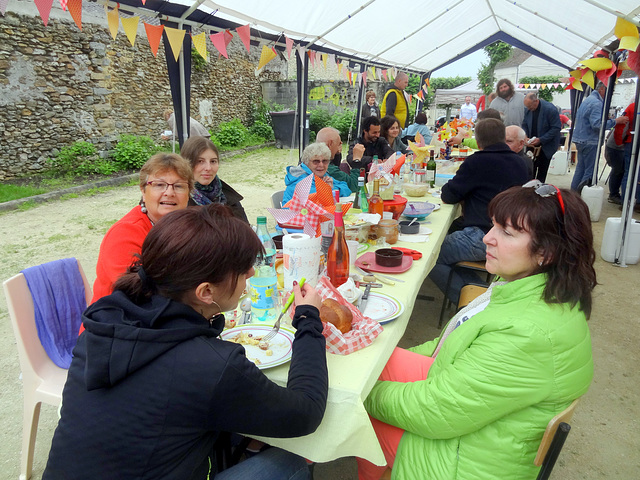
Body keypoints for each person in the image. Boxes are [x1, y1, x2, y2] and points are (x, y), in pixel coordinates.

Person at [44, 204, 328, 480]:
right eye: (242, 270)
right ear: (205, 292)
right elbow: (305, 413)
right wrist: (308, 319)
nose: (251, 274)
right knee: (292, 459)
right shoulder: (212, 366)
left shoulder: (103, 321)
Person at [358, 183, 595, 480]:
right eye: (493, 226)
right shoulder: (534, 292)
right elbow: (450, 344)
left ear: (546, 253)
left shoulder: (528, 334)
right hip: (481, 431)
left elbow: (436, 412)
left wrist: (361, 394)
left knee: (359, 422)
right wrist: (373, 363)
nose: (487, 237)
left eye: (507, 233)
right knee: (375, 361)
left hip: (464, 464)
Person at [428, 118, 529, 305]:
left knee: (430, 255)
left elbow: (449, 195)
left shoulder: (477, 161)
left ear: (478, 142)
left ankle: (472, 303)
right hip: (511, 236)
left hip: (481, 237)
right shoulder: (521, 162)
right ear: (502, 137)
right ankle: (479, 291)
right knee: (447, 240)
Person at [91, 153, 192, 303]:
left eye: (178, 186)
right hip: (121, 320)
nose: (169, 193)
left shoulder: (186, 227)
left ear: (189, 194)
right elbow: (135, 293)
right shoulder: (125, 233)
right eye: (159, 185)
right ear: (143, 191)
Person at [571, 82, 628, 191]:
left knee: (580, 169)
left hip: (581, 140)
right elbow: (597, 125)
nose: (610, 94)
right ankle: (583, 196)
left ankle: (573, 196)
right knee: (589, 172)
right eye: (610, 91)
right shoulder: (597, 103)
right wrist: (616, 121)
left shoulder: (587, 100)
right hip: (590, 141)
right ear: (602, 89)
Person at [180, 136, 248, 222]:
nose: (208, 168)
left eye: (213, 161)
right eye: (200, 161)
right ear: (187, 163)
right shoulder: (178, 200)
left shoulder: (228, 196)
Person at [283, 142, 353, 205]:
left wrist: (333, 189)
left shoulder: (322, 175)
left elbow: (346, 188)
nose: (321, 165)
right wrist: (330, 191)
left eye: (325, 161)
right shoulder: (301, 180)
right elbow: (315, 200)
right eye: (316, 161)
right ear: (306, 162)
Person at [522, 93, 562, 182]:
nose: (529, 109)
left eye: (530, 106)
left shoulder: (550, 109)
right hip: (531, 146)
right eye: (527, 107)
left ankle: (539, 192)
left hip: (546, 147)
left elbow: (556, 128)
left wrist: (541, 139)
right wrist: (525, 135)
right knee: (530, 171)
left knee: (541, 173)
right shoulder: (528, 109)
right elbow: (524, 123)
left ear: (536, 101)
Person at [617, 102, 639, 209]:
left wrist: (619, 140)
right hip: (632, 142)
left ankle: (625, 201)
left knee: (628, 172)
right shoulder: (632, 106)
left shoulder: (632, 106)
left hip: (630, 141)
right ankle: (637, 202)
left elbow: (621, 123)